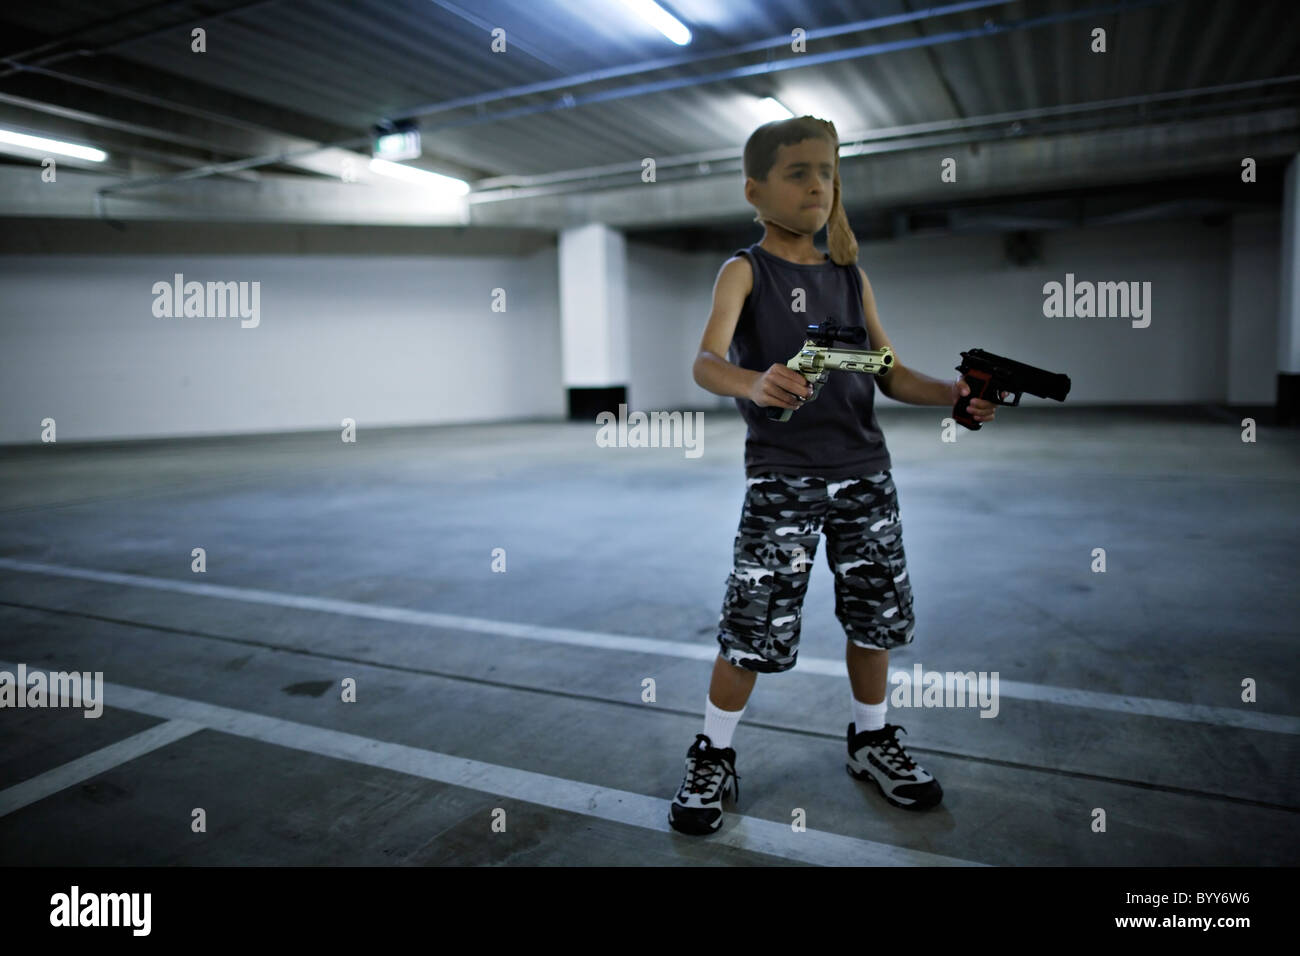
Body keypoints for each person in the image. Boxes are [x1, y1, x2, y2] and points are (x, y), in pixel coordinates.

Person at [669, 116, 1004, 836]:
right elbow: (704, 361)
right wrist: (754, 382)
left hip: (864, 479)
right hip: (782, 483)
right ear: (755, 190)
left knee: (874, 619)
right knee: (751, 630)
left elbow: (890, 373)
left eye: (826, 171)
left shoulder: (851, 277)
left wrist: (953, 393)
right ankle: (713, 753)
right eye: (798, 173)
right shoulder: (746, 270)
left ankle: (871, 739)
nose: (817, 184)